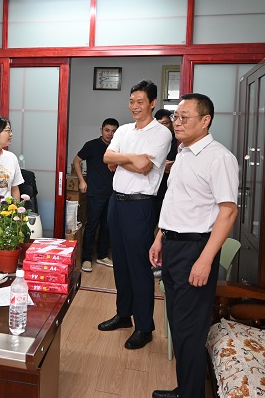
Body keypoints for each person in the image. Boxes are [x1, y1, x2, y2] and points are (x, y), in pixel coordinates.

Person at [149, 93, 239, 398]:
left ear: (205, 120)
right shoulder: (183, 153)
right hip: (173, 245)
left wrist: (205, 260)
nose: (177, 122)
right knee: (178, 324)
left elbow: (228, 212)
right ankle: (186, 389)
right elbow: (175, 202)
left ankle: (191, 394)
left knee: (190, 330)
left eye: (184, 117)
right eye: (176, 117)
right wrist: (160, 238)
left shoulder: (219, 157)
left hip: (195, 250)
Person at [97, 80, 171, 350]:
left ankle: (144, 326)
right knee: (120, 263)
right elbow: (107, 158)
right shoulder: (124, 129)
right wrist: (130, 158)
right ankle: (123, 314)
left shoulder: (161, 133)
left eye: (141, 101)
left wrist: (121, 159)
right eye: (131, 101)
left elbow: (144, 167)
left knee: (139, 266)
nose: (135, 106)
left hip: (140, 205)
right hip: (116, 202)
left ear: (152, 103)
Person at [72, 118, 119, 272]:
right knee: (92, 225)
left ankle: (102, 255)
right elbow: (76, 161)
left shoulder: (118, 147)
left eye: (114, 131)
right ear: (101, 130)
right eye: (107, 130)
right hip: (95, 193)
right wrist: (82, 181)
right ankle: (86, 258)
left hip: (113, 193)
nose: (110, 134)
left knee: (107, 225)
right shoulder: (91, 145)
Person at [153, 108, 177, 225]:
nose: (162, 127)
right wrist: (162, 165)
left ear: (171, 123)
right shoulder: (153, 140)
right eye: (159, 124)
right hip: (155, 188)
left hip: (173, 189)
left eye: (165, 123)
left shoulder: (179, 140)